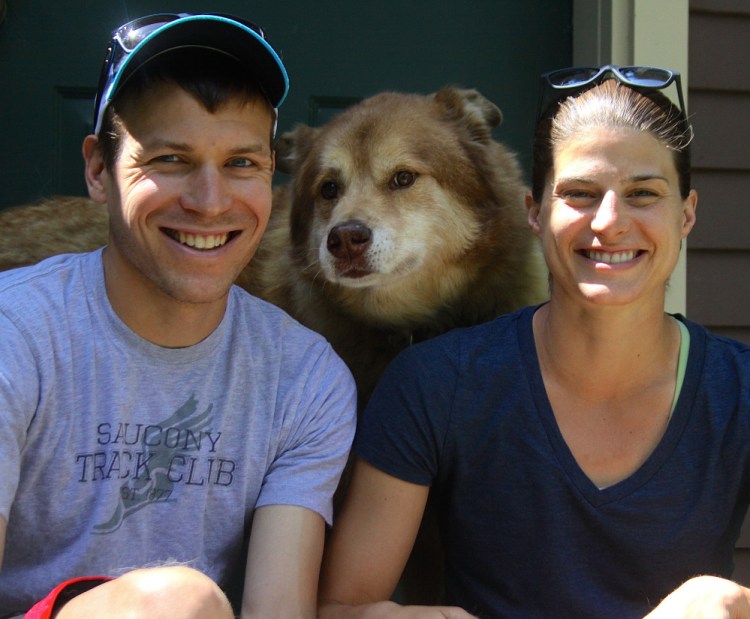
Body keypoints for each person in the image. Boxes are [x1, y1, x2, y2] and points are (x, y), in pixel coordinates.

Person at [317, 65, 750, 618]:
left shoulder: (736, 391)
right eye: (580, 194)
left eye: (644, 193)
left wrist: (729, 603)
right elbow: (340, 608)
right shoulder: (437, 383)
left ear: (686, 214)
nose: (610, 222)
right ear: (534, 212)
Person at [0, 13, 356, 619]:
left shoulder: (304, 378)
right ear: (97, 170)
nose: (210, 202)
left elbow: (278, 611)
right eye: (170, 159)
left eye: (242, 163)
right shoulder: (18, 332)